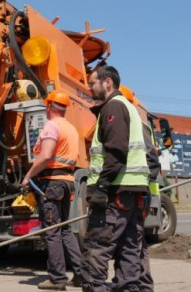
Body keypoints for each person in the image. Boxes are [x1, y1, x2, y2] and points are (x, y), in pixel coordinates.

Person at [82, 66, 150, 292]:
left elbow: (116, 151)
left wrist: (102, 187)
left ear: (107, 82)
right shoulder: (130, 109)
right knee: (130, 250)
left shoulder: (114, 106)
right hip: (131, 193)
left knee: (97, 249)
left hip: (114, 192)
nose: (89, 87)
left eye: (92, 83)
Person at [23, 89, 84, 291]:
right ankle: (80, 274)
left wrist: (28, 175)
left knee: (52, 231)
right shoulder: (71, 128)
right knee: (65, 229)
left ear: (49, 106)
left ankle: (57, 279)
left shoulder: (51, 126)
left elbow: (47, 155)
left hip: (52, 183)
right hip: (67, 181)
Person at [109, 85, 159, 292]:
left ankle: (139, 284)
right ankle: (135, 283)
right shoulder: (134, 123)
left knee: (133, 241)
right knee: (132, 240)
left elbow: (151, 159)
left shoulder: (135, 125)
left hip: (137, 191)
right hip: (139, 190)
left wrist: (141, 185)